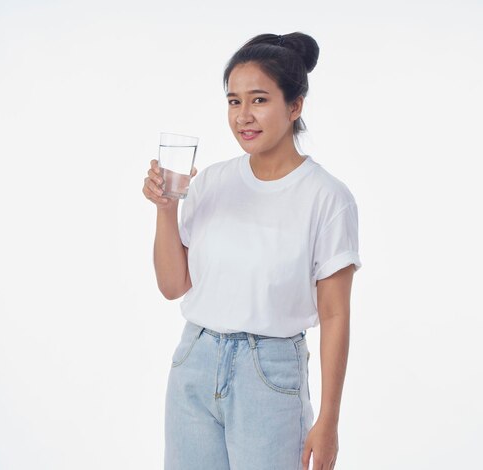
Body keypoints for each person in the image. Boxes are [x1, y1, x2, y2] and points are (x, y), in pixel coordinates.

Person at [142, 32, 362, 470]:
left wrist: (329, 421)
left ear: (295, 105)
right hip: (194, 361)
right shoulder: (211, 181)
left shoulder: (327, 197)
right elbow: (173, 286)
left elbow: (335, 314)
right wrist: (166, 209)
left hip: (270, 373)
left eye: (259, 100)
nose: (244, 116)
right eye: (233, 101)